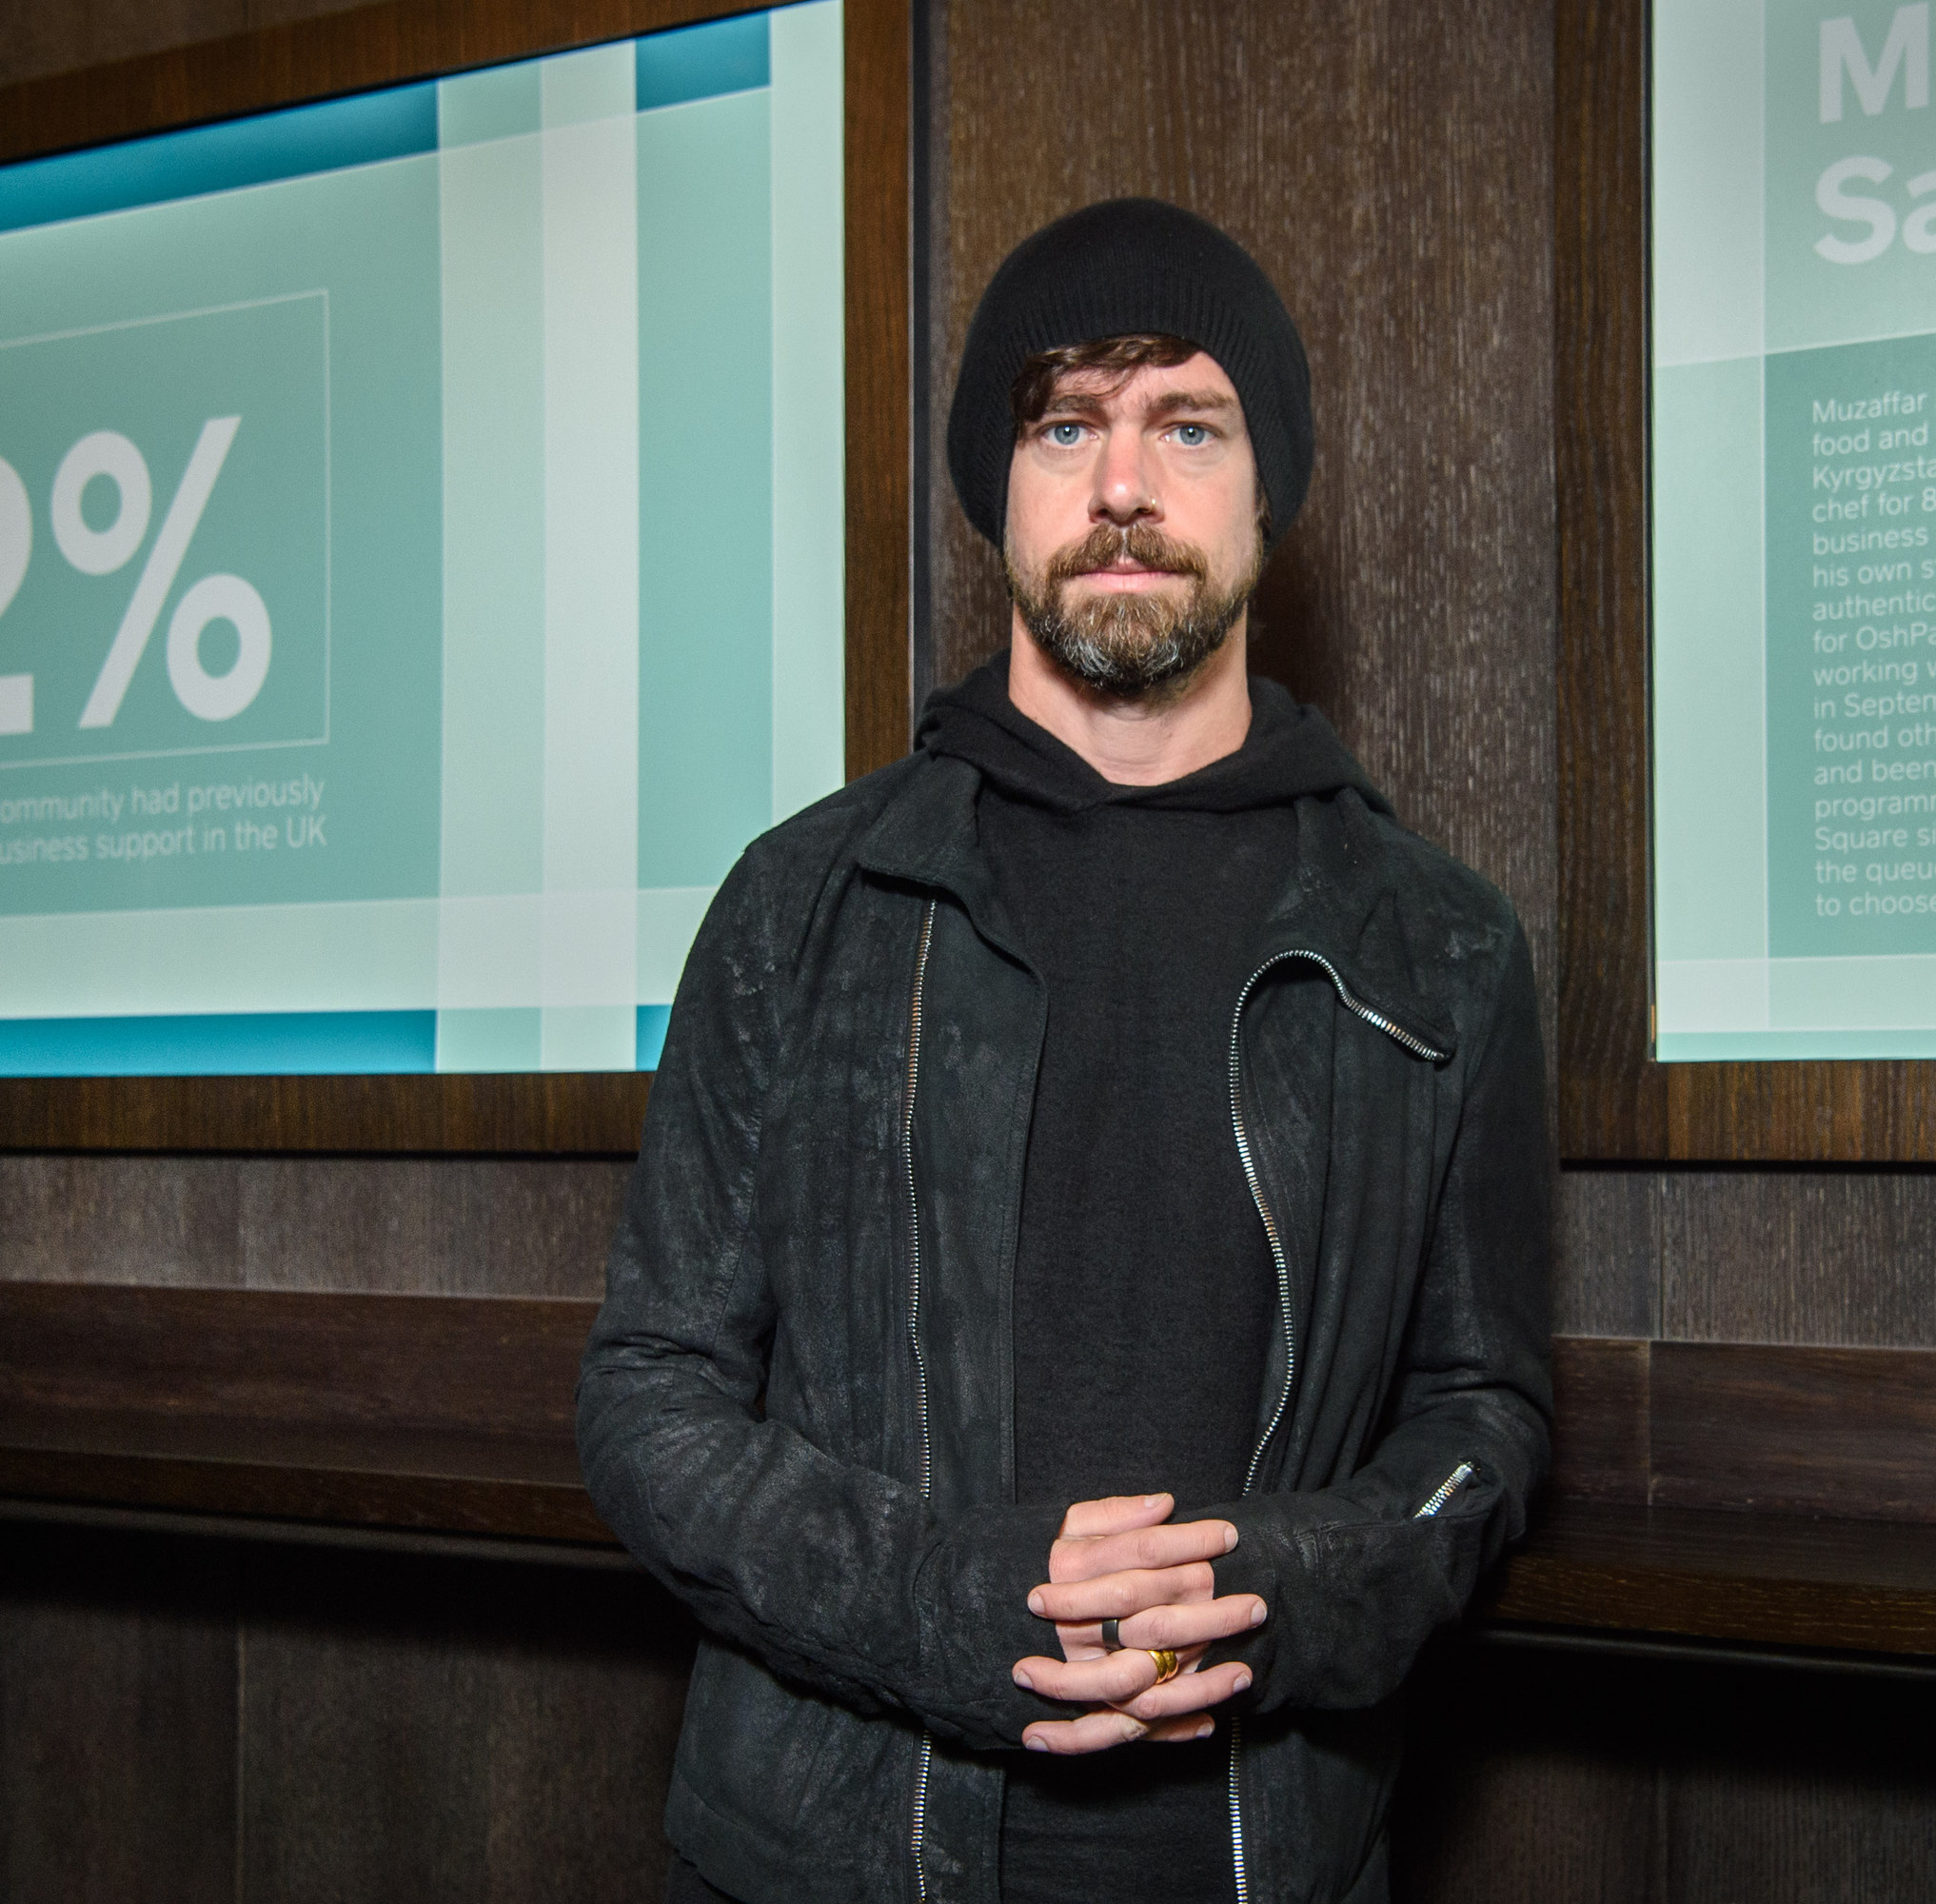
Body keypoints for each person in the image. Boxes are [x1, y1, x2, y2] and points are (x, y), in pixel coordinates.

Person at [578, 196, 1551, 1904]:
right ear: (999, 488)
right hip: (828, 1863)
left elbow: (1483, 1419)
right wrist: (951, 1599)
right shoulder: (806, 901)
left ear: (1269, 489)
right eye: (1063, 424)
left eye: (1190, 422)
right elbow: (650, 1399)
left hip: (1265, 1862)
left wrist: (1283, 1587)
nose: (1123, 485)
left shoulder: (1441, 946)